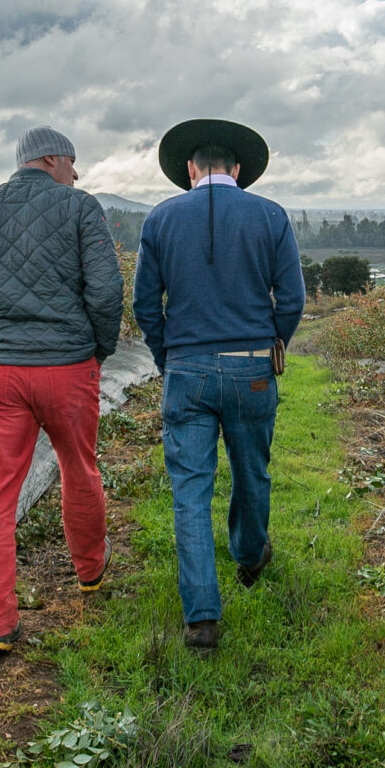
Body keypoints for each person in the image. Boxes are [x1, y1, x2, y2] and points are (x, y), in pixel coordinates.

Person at [0, 126, 123, 656]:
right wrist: (97, 350)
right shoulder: (81, 208)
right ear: (51, 159)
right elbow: (107, 291)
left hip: (3, 373)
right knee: (78, 467)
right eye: (73, 163)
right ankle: (90, 572)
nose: (77, 174)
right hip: (68, 367)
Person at [132, 118, 306, 653]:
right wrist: (271, 344)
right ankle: (251, 557)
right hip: (252, 367)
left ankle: (201, 616)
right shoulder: (271, 216)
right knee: (252, 471)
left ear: (189, 169)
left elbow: (144, 304)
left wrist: (168, 358)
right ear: (237, 169)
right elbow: (293, 299)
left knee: (190, 490)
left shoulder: (160, 219)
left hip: (187, 372)